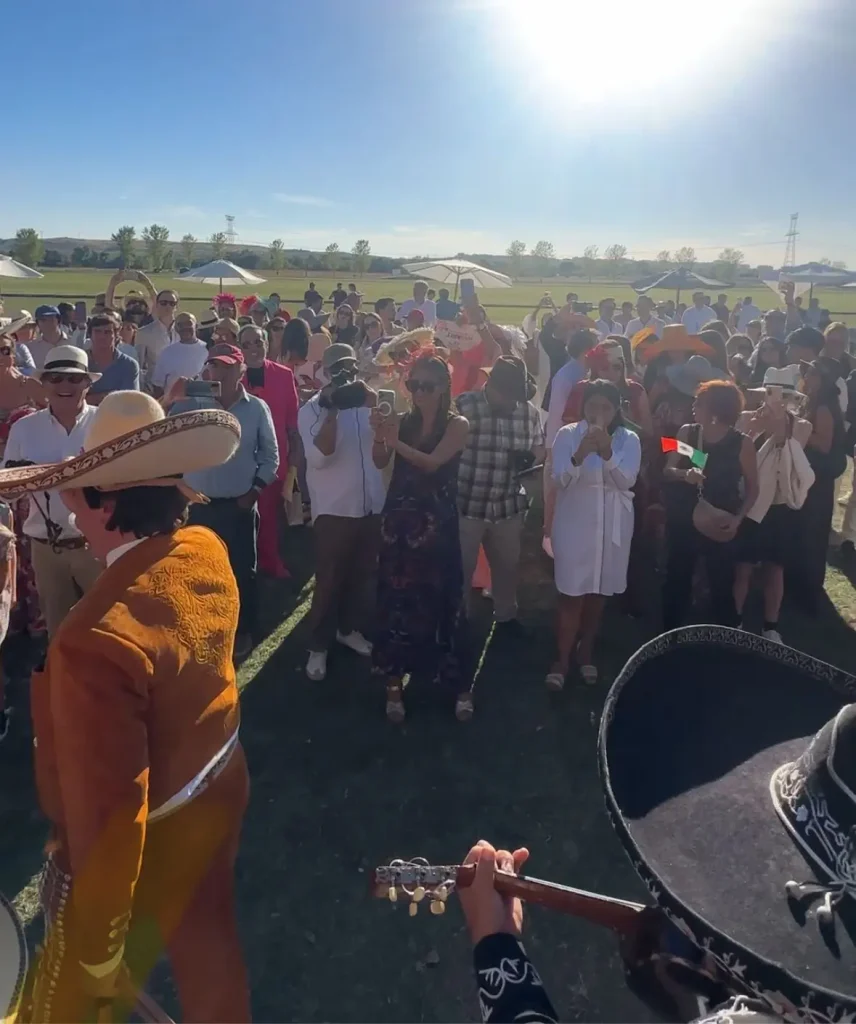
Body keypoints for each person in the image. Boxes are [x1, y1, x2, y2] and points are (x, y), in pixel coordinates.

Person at [0, 390, 251, 1023]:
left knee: (62, 1006)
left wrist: (98, 951)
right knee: (211, 952)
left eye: (78, 490)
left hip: (149, 842)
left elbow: (113, 817)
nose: (67, 504)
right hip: (217, 791)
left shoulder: (94, 641)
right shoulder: (205, 549)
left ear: (108, 505)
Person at [370, 352, 471, 722]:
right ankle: (394, 684)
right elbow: (381, 461)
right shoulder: (402, 422)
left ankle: (457, 684)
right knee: (396, 602)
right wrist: (381, 437)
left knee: (444, 600)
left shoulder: (457, 424)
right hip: (398, 523)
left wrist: (393, 441)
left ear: (444, 387)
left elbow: (432, 463)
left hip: (437, 524)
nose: (418, 393)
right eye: (413, 386)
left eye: (426, 386)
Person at [172, 344, 279, 659]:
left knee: (242, 572)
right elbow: (164, 437)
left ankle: (242, 631)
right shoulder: (191, 404)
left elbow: (270, 456)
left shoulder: (257, 408)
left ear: (241, 372)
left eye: (228, 367)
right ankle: (200, 627)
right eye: (214, 367)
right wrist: (172, 399)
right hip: (197, 506)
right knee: (195, 572)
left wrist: (253, 493)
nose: (219, 373)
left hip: (239, 505)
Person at [297, 343, 385, 681]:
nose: (344, 375)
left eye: (348, 367)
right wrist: (333, 408)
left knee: (362, 575)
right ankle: (318, 646)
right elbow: (322, 456)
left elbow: (385, 442)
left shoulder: (367, 402)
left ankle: (348, 629)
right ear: (325, 373)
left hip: (370, 504)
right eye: (337, 369)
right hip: (334, 509)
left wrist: (372, 400)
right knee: (329, 580)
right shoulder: (312, 410)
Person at [546, 380, 641, 689]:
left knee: (599, 594)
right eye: (592, 406)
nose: (598, 413)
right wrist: (579, 455)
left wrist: (608, 452)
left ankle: (585, 650)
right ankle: (561, 658)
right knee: (572, 594)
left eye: (605, 407)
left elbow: (625, 481)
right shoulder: (567, 435)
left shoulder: (629, 439)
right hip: (576, 523)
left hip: (613, 527)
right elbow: (560, 480)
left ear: (616, 409)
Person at [2, 345, 102, 636]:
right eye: (56, 378)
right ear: (44, 384)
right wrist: (24, 478)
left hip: (98, 544)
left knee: (108, 627)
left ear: (87, 383)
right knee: (59, 633)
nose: (65, 386)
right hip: (46, 548)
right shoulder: (23, 428)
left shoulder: (106, 422)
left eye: (74, 379)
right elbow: (8, 494)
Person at [457, 357, 545, 633]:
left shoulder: (528, 413)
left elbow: (539, 447)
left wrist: (531, 460)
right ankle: (455, 621)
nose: (513, 402)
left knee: (507, 569)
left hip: (508, 507)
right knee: (459, 570)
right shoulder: (464, 406)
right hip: (467, 504)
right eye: (509, 395)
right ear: (492, 386)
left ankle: (506, 616)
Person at [661, 380, 758, 630]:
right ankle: (670, 632)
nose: (693, 406)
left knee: (721, 580)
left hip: (721, 519)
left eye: (699, 402)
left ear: (717, 409)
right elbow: (668, 469)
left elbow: (753, 488)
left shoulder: (742, 443)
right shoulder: (687, 433)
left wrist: (738, 520)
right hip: (684, 515)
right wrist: (685, 475)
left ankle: (725, 635)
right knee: (677, 576)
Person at [733, 367, 813, 643]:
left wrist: (777, 422)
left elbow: (788, 450)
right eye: (771, 394)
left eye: (782, 396)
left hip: (780, 507)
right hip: (750, 503)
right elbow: (735, 454)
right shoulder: (745, 419)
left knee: (775, 568)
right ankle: (736, 622)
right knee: (743, 565)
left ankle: (770, 626)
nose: (775, 401)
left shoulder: (801, 425)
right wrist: (753, 429)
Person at [238, 324, 299, 579]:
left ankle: (270, 561)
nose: (253, 348)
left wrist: (293, 461)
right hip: (239, 460)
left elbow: (292, 423)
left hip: (273, 460)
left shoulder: (284, 375)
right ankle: (243, 563)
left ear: (267, 343)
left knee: (270, 517)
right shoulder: (231, 376)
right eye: (246, 344)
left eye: (258, 342)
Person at [793, 359, 847, 612]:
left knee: (813, 535)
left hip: (819, 480)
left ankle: (809, 593)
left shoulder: (824, 407)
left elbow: (824, 444)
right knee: (803, 532)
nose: (807, 375)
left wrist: (797, 429)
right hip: (809, 476)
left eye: (812, 372)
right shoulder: (810, 400)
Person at [86, 312, 140, 403]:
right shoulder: (80, 362)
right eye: (97, 331)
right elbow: (73, 400)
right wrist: (110, 395)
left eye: (107, 332)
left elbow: (129, 401)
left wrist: (91, 398)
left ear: (116, 335)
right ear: (90, 334)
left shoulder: (129, 365)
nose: (102, 336)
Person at [150, 312, 207, 398]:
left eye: (188, 323)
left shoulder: (207, 349)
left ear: (196, 326)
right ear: (176, 329)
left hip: (201, 404)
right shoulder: (167, 353)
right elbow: (158, 385)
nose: (185, 328)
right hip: (174, 406)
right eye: (181, 325)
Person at [135, 289, 179, 383]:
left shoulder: (184, 331)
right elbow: (138, 364)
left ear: (176, 306)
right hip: (154, 385)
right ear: (157, 305)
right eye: (163, 303)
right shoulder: (144, 332)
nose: (168, 306)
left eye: (172, 303)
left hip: (179, 385)